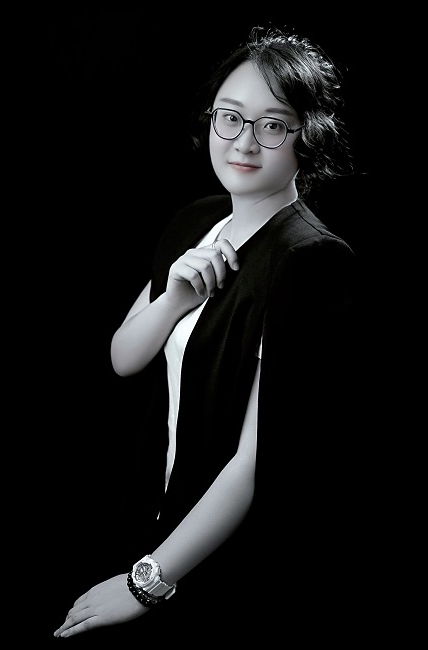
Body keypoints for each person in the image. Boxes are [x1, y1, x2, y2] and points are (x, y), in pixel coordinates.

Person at [53, 25, 364, 644]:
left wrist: (147, 582)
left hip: (224, 559)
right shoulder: (196, 220)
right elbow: (123, 358)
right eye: (231, 116)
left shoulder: (311, 262)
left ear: (308, 136)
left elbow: (257, 460)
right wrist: (173, 299)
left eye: (273, 125)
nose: (244, 142)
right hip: (151, 517)